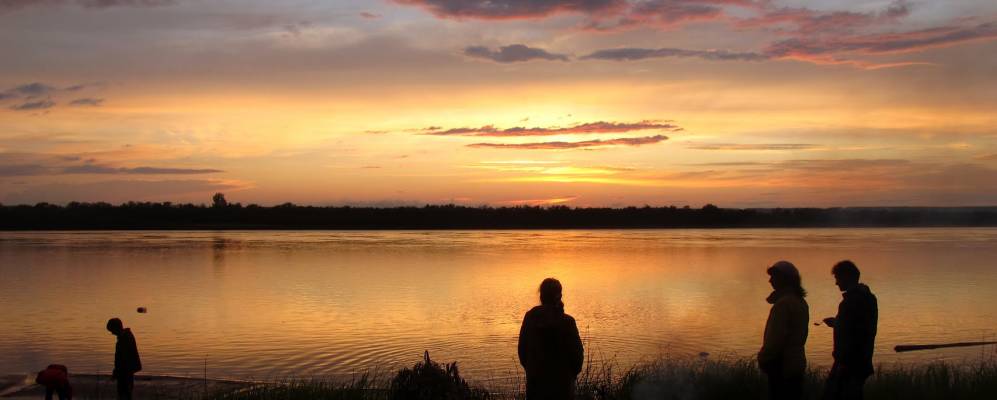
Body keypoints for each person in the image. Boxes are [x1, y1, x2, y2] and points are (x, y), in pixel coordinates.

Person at [518, 278, 584, 400]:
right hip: (562, 388)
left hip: (535, 387)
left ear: (541, 295)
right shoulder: (567, 322)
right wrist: (570, 376)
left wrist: (532, 370)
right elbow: (577, 357)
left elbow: (522, 351)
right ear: (559, 296)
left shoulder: (530, 318)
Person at [822, 260, 878, 400]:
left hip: (849, 363)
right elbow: (856, 326)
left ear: (848, 277)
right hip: (860, 360)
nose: (836, 283)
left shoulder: (851, 301)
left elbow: (854, 334)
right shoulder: (868, 298)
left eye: (837, 278)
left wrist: (843, 362)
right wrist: (837, 323)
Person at [758, 261, 809, 400]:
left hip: (781, 365)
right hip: (797, 363)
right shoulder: (800, 301)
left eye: (773, 277)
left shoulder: (783, 304)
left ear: (784, 279)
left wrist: (763, 358)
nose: (770, 280)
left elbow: (775, 338)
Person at [106, 318, 142, 400]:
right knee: (125, 393)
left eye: (112, 330)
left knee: (124, 393)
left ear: (116, 328)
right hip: (126, 371)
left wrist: (116, 372)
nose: (112, 333)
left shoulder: (125, 338)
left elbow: (122, 359)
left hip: (125, 371)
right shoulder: (125, 336)